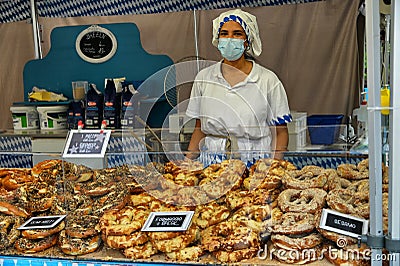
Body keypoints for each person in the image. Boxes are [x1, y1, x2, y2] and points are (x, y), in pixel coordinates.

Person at [185, 9, 292, 164]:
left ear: (247, 41)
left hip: (255, 164)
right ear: (217, 38)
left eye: (237, 34)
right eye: (224, 33)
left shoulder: (268, 80)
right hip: (212, 166)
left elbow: (280, 132)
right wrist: (187, 162)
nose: (230, 39)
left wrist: (273, 167)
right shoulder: (204, 78)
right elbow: (199, 128)